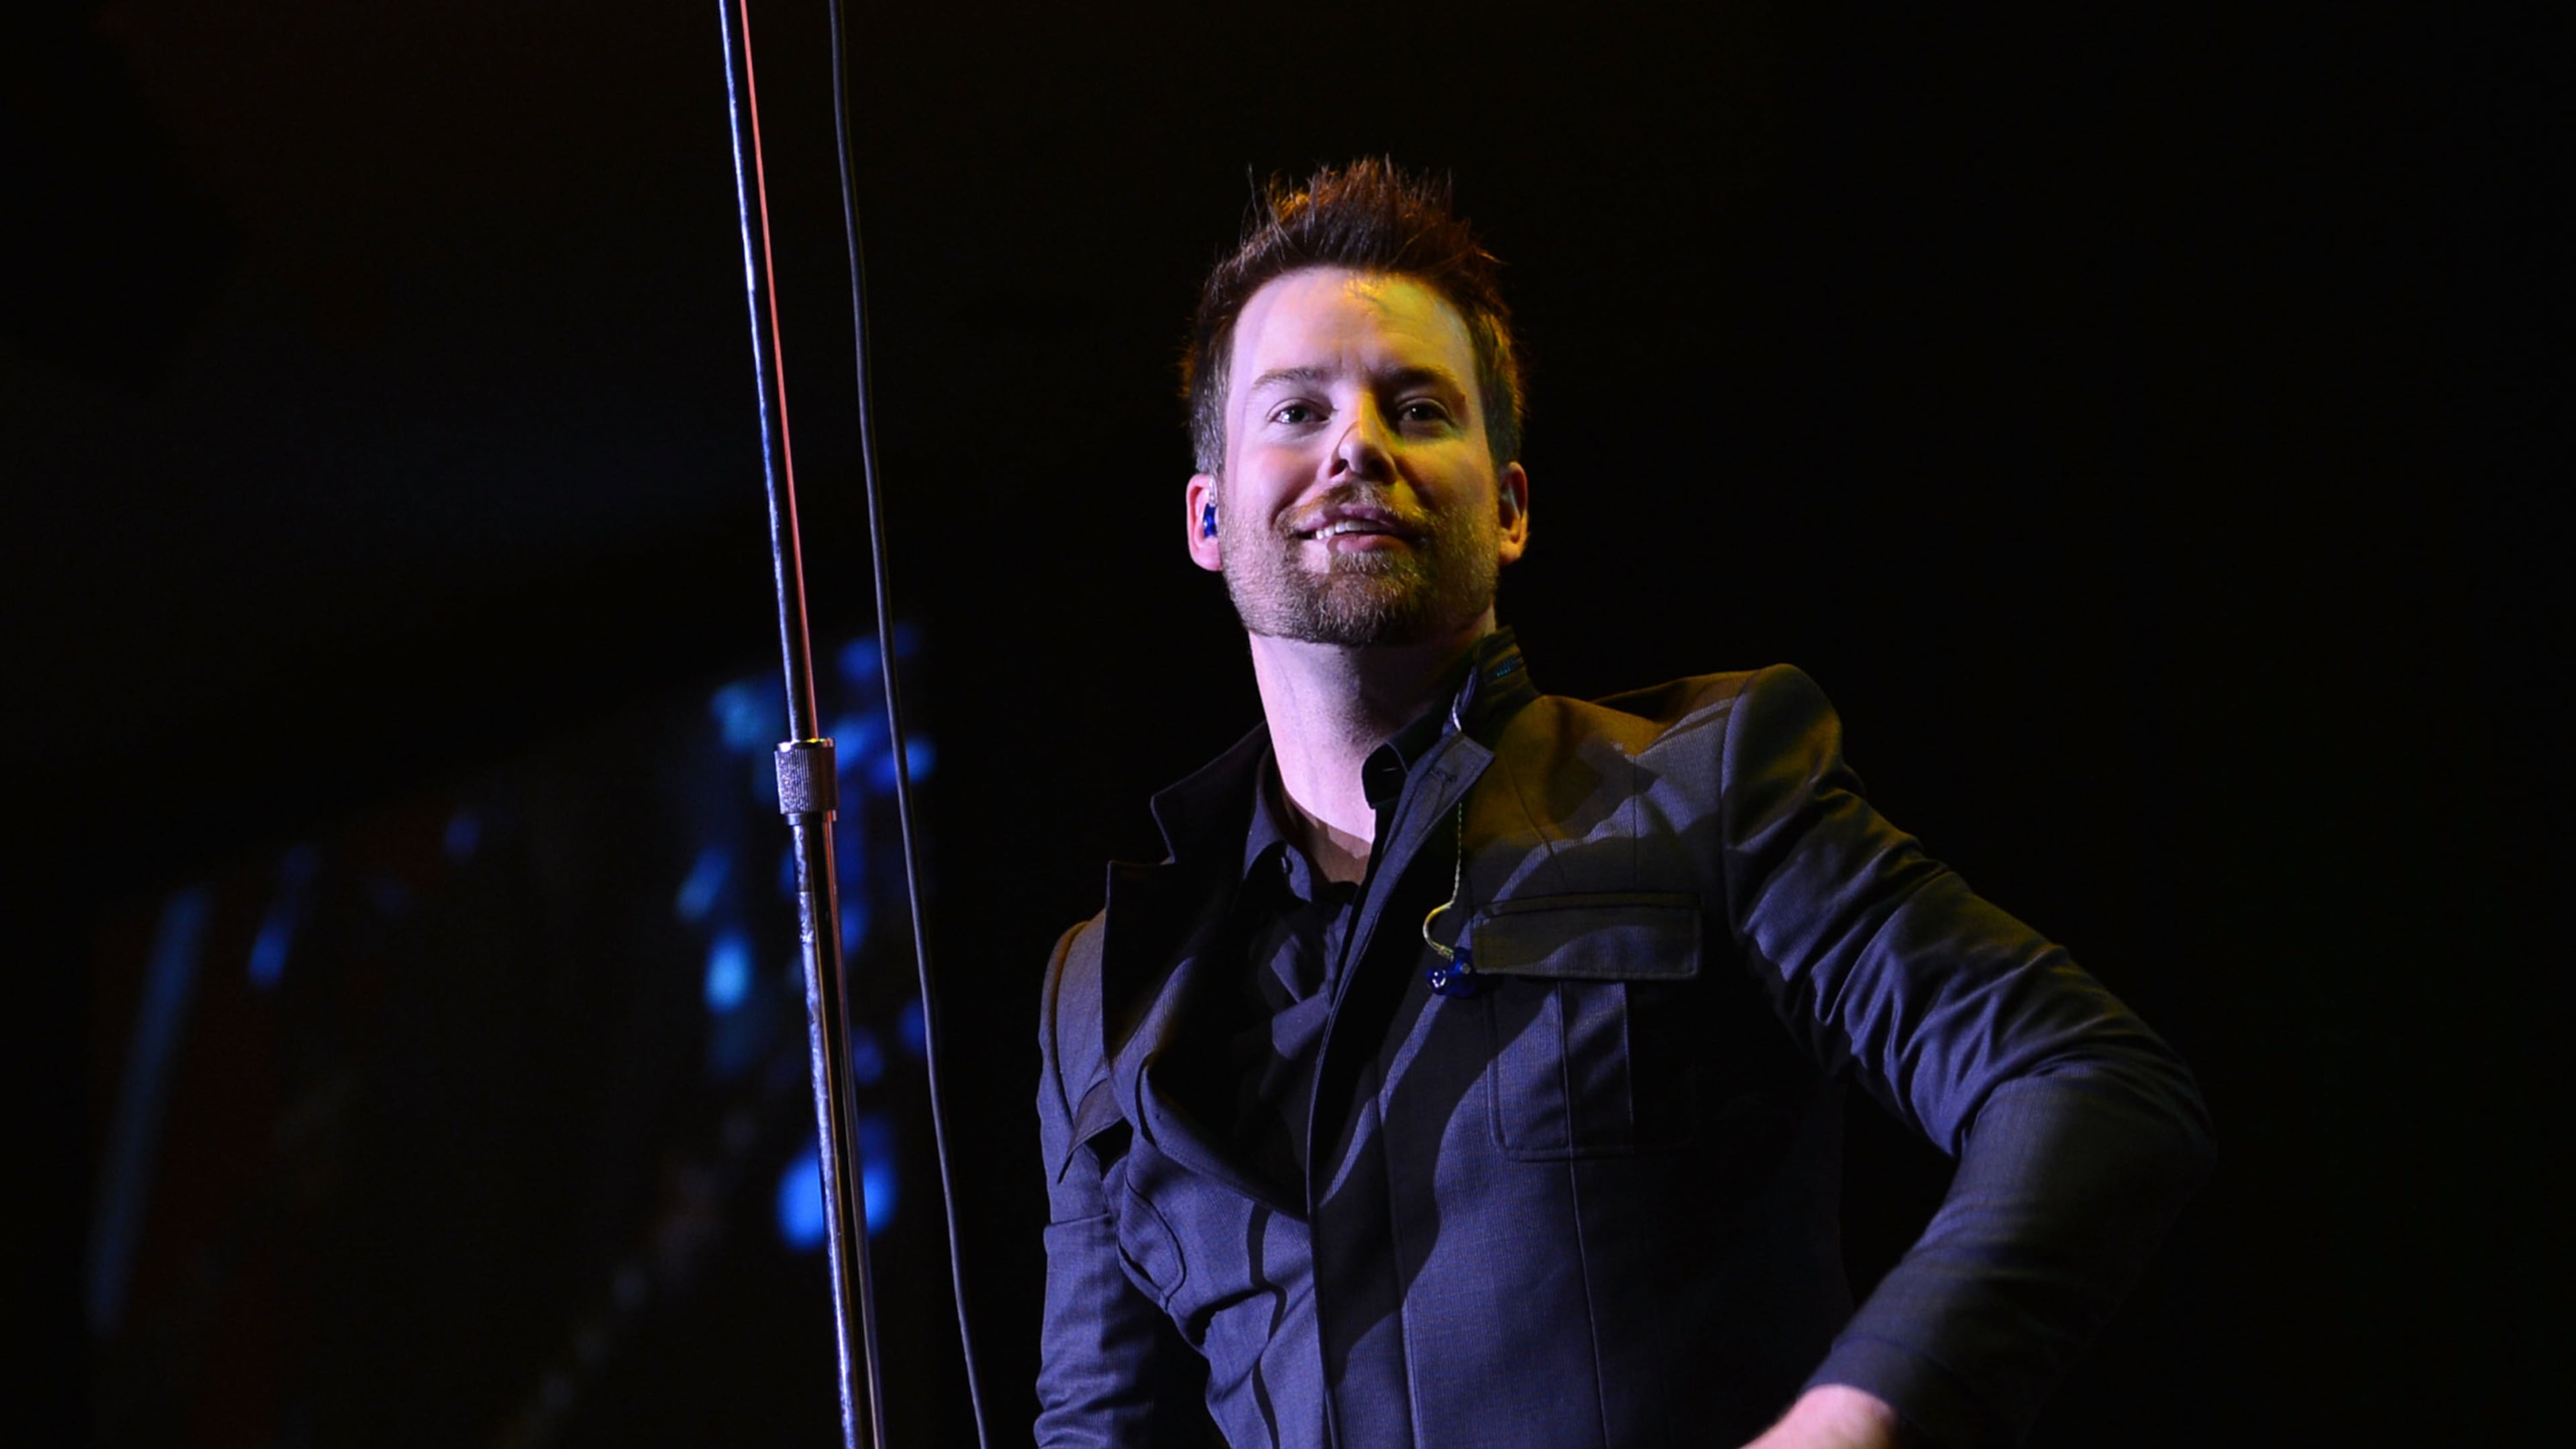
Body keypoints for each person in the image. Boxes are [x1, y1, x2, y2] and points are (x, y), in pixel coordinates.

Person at [1034, 159, 2212, 1449]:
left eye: (1418, 407)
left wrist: (1853, 1420)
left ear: (1514, 506)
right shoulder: (1109, 990)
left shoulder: (1702, 792)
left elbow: (2084, 1080)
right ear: (1208, 517)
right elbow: (1101, 1423)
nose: (1357, 442)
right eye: (1297, 412)